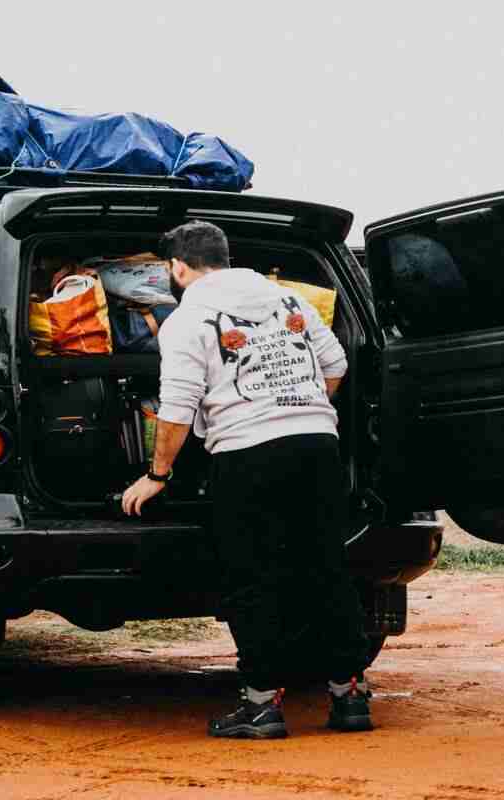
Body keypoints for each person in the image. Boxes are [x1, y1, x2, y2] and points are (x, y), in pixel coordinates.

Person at [121, 220, 372, 738]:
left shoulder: (186, 320)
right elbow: (337, 362)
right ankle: (349, 699)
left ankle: (261, 705)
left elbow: (176, 408)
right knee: (326, 567)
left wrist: (157, 474)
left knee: (254, 578)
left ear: (178, 268)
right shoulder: (289, 302)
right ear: (226, 256)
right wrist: (301, 408)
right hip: (318, 448)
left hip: (247, 456)